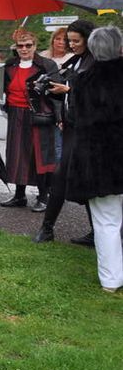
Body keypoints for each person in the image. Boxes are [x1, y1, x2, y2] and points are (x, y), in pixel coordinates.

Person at [62, 26, 123, 293]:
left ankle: (111, 280)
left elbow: (74, 119)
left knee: (106, 222)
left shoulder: (82, 81)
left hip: (100, 161)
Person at [34, 19, 96, 244]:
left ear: (89, 39)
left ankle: (47, 228)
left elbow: (98, 96)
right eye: (70, 41)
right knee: (81, 179)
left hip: (87, 130)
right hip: (71, 125)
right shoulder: (77, 60)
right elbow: (70, 94)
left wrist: (69, 89)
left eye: (76, 41)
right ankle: (90, 231)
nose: (72, 45)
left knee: (65, 177)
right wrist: (56, 91)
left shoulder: (98, 62)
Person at [0, 29, 59, 212]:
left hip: (39, 115)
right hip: (15, 114)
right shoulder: (10, 65)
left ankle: (43, 196)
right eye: (20, 46)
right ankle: (19, 195)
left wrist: (59, 117)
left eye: (28, 45)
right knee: (16, 155)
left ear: (35, 46)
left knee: (38, 155)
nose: (24, 49)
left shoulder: (47, 65)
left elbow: (56, 93)